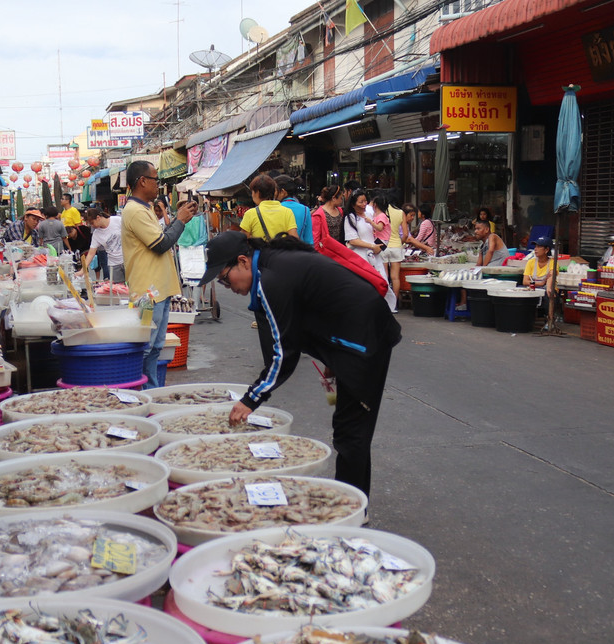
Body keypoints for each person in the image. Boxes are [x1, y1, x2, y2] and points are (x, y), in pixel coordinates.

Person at [202, 231, 400, 498]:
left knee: (352, 433)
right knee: (350, 429)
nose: (230, 287)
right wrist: (331, 356)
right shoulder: (272, 263)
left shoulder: (270, 279)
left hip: (364, 339)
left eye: (225, 279)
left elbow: (283, 352)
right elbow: (314, 307)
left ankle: (352, 507)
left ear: (243, 261)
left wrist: (251, 399)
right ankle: (354, 498)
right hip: (354, 334)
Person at [121, 160, 197, 388]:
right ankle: (142, 391)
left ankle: (151, 391)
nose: (158, 186)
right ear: (142, 181)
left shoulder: (143, 209)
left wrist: (178, 221)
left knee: (155, 346)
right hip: (146, 293)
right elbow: (161, 244)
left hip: (157, 291)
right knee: (146, 347)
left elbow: (161, 238)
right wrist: (180, 220)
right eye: (156, 180)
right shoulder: (135, 211)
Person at [343, 189, 397, 312]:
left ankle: (383, 310)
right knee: (365, 285)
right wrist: (372, 246)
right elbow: (353, 240)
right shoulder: (350, 218)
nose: (363, 205)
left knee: (382, 282)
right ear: (353, 204)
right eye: (360, 202)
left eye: (365, 201)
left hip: (375, 255)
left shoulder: (370, 214)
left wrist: (377, 246)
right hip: (360, 256)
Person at [239, 174, 297, 241]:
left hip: (261, 251)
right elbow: (294, 238)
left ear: (257, 192)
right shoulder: (287, 212)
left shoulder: (250, 214)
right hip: (280, 250)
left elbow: (244, 240)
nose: (252, 195)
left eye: (252, 192)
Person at [82, 207, 124, 283]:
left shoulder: (117, 220)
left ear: (98, 218)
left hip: (127, 259)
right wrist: (83, 269)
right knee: (119, 289)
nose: (92, 226)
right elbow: (91, 253)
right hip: (113, 264)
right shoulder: (96, 234)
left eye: (92, 223)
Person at [377, 192, 405, 301]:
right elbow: (406, 234)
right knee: (395, 277)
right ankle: (394, 302)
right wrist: (399, 243)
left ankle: (384, 301)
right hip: (396, 246)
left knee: (384, 276)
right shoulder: (400, 212)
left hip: (383, 245)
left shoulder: (382, 212)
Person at [274, 175, 313, 246]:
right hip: (300, 253)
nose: (273, 194)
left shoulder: (275, 208)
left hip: (278, 253)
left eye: (275, 190)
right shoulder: (305, 209)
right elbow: (309, 240)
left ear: (283, 192)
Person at [523, 236, 556, 313]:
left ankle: (549, 319)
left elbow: (551, 277)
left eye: (539, 247)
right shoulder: (530, 262)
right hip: (533, 288)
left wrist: (548, 288)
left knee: (549, 294)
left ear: (547, 250)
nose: (535, 249)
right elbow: (525, 281)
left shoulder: (553, 263)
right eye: (535, 246)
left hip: (546, 289)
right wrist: (540, 283)